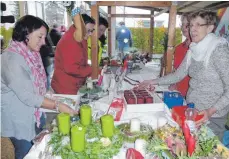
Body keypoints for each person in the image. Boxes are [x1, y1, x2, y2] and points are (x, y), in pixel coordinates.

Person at [138, 11, 229, 141]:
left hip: (212, 116)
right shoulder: (193, 49)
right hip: (192, 110)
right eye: (191, 25)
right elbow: (177, 75)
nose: (193, 29)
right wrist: (152, 82)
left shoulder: (219, 50)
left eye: (198, 25)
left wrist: (211, 111)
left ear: (210, 28)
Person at [1, 15, 77, 159]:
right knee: (27, 153)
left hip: (34, 115)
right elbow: (27, 96)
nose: (43, 42)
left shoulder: (30, 54)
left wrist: (50, 94)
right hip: (19, 121)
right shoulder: (11, 59)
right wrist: (57, 105)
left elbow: (37, 84)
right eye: (40, 37)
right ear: (26, 34)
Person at [51, 14, 95, 94]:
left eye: (92, 31)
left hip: (73, 83)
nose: (90, 34)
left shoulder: (80, 37)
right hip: (65, 87)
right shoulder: (70, 41)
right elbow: (71, 68)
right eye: (88, 30)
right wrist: (89, 70)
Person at [168, 13, 191, 97]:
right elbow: (176, 71)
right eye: (182, 24)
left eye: (187, 24)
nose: (184, 27)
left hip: (193, 95)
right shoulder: (178, 48)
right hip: (178, 93)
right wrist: (173, 84)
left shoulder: (200, 49)